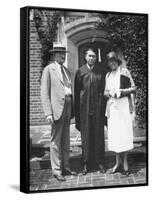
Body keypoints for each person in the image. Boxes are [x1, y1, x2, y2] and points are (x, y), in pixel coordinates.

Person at [41, 43, 76, 181]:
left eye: (64, 53)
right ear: (54, 55)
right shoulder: (49, 70)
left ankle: (66, 167)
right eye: (60, 53)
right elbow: (44, 93)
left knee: (66, 140)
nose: (63, 55)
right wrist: (48, 113)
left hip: (67, 107)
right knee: (56, 141)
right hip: (56, 109)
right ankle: (56, 170)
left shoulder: (66, 70)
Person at [74, 48, 107, 175]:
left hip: (98, 109)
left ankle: (100, 162)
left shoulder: (100, 71)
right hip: (84, 110)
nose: (92, 58)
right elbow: (77, 93)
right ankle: (85, 164)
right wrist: (77, 114)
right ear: (85, 57)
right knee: (86, 137)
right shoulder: (80, 72)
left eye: (94, 56)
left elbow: (103, 90)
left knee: (98, 136)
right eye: (90, 56)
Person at [104, 51, 136, 176]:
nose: (112, 63)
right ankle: (117, 163)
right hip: (112, 109)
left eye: (114, 61)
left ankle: (125, 163)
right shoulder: (108, 75)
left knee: (124, 134)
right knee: (115, 135)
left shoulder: (124, 72)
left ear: (117, 62)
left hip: (123, 108)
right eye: (110, 62)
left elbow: (133, 88)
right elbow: (105, 92)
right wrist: (110, 93)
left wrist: (121, 92)